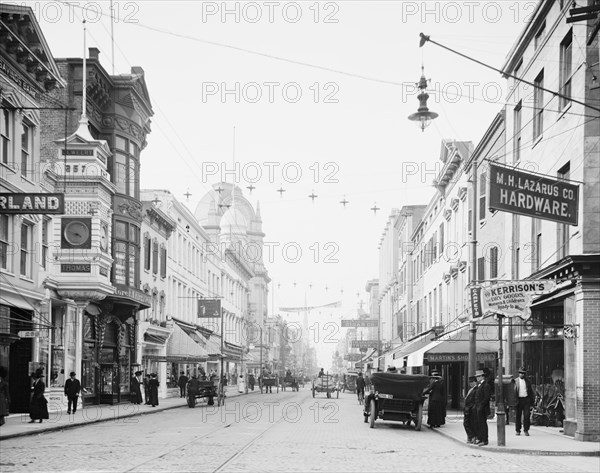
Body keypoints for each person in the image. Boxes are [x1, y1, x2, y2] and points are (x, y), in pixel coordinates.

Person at [513, 367, 535, 437]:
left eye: (523, 373)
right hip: (518, 400)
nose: (521, 374)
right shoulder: (515, 381)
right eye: (520, 373)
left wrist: (532, 401)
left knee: (527, 415)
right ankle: (518, 430)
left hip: (526, 399)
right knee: (518, 416)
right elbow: (513, 392)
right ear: (518, 373)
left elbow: (531, 392)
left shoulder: (527, 382)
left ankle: (526, 429)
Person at [474, 369, 491, 446]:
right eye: (477, 377)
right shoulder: (479, 385)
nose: (477, 378)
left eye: (478, 376)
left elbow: (487, 397)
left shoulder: (486, 385)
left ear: (482, 377)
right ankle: (480, 438)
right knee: (478, 423)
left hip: (483, 408)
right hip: (478, 407)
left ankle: (485, 440)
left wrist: (481, 405)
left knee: (483, 423)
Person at [463, 376, 478, 444]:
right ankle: (471, 436)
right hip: (467, 409)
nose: (470, 383)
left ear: (475, 382)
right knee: (467, 423)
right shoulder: (471, 389)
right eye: (470, 382)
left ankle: (472, 436)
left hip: (470, 409)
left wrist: (470, 408)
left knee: (469, 424)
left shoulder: (476, 390)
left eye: (472, 382)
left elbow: (474, 400)